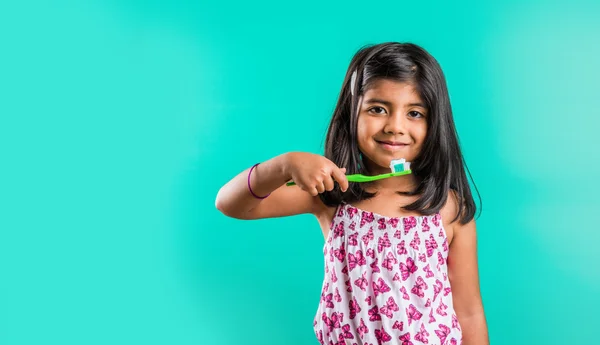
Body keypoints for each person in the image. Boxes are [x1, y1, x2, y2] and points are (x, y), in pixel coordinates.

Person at [215, 42, 489, 345]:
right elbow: (230, 204)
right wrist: (283, 165)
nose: (395, 126)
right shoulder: (332, 195)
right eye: (377, 109)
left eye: (414, 113)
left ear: (435, 122)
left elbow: (469, 311)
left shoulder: (449, 207)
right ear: (351, 114)